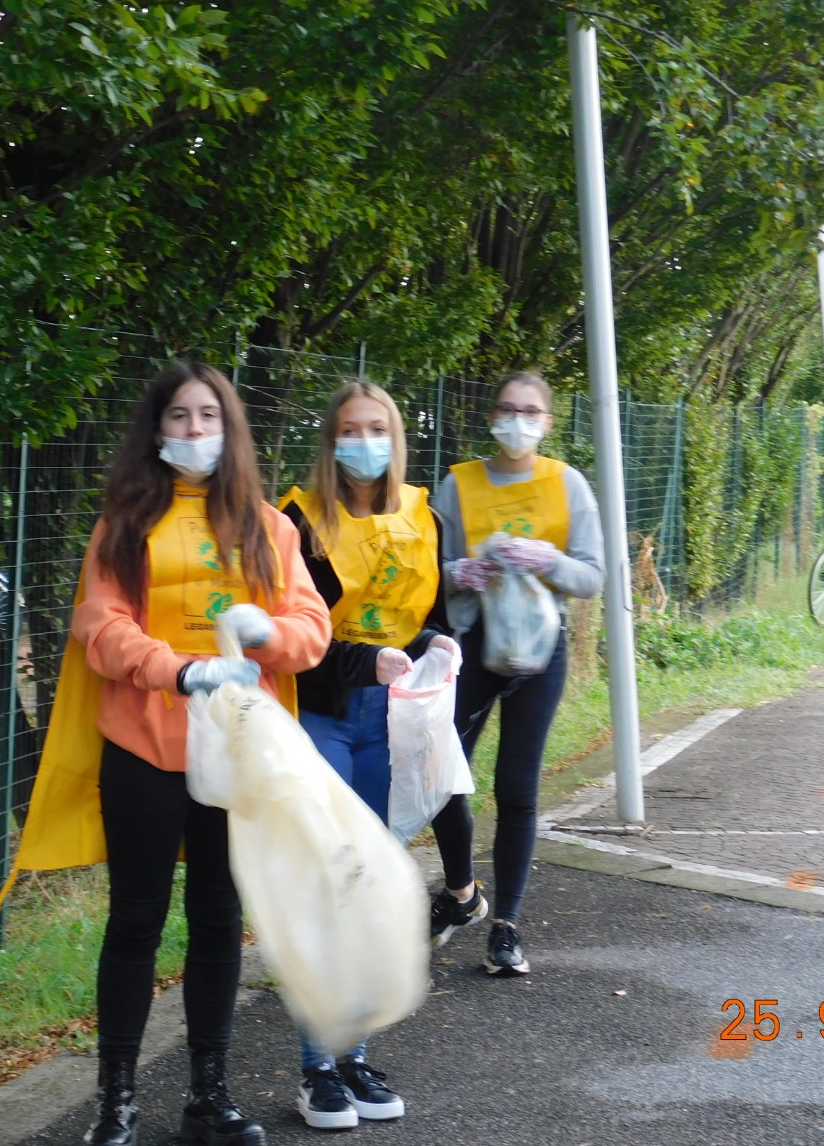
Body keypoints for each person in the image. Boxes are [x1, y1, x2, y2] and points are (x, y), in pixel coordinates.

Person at [66, 362, 330, 1146]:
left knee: (218, 921)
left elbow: (311, 629)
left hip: (239, 754)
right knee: (136, 921)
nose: (193, 432)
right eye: (178, 418)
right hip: (144, 745)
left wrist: (264, 632)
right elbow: (99, 624)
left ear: (230, 429)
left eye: (208, 418)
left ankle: (208, 1100)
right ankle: (116, 1102)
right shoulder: (126, 520)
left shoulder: (269, 526)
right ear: (156, 431)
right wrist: (176, 669)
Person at [279, 381, 458, 1131]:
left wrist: (441, 646)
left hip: (393, 721)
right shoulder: (297, 519)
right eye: (349, 430)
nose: (363, 442)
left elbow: (431, 619)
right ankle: (316, 1067)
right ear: (330, 441)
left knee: (371, 886)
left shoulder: (427, 517)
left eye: (376, 429)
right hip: (321, 716)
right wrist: (371, 662)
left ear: (395, 438)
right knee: (328, 884)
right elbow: (294, 648)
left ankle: (353, 1052)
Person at [428, 371, 603, 977]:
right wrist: (461, 574)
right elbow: (429, 567)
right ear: (490, 417)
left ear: (548, 422)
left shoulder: (567, 484)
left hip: (540, 646)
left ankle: (507, 925)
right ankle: (460, 895)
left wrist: (548, 560)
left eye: (531, 412)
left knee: (517, 786)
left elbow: (592, 575)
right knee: (443, 773)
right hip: (473, 641)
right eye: (506, 409)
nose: (518, 421)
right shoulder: (458, 484)